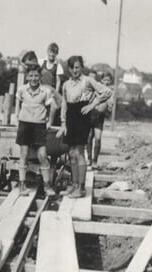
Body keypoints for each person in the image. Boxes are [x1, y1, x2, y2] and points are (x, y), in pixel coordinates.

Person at [57, 56, 112, 198]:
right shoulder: (66, 85)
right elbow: (64, 103)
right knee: (71, 153)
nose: (74, 70)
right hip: (70, 117)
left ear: (81, 67)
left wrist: (92, 105)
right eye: (71, 68)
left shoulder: (87, 80)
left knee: (79, 153)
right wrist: (63, 123)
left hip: (82, 117)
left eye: (77, 67)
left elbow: (106, 92)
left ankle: (81, 188)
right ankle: (74, 185)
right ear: (68, 69)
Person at [15, 64, 56, 197]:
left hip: (39, 126)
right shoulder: (22, 90)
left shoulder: (45, 92)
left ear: (40, 77)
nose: (33, 78)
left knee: (43, 155)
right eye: (31, 75)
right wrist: (17, 117)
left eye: (36, 75)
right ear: (27, 77)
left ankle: (47, 185)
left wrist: (49, 121)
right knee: (24, 154)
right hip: (25, 125)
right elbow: (18, 105)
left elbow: (50, 108)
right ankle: (22, 184)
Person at [87, 72, 114, 168]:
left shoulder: (110, 92)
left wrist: (110, 107)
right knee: (89, 137)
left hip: (100, 116)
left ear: (110, 81)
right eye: (104, 80)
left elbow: (110, 106)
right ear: (101, 80)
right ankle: (89, 159)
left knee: (98, 139)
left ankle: (95, 160)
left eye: (108, 80)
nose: (106, 82)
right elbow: (90, 98)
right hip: (91, 113)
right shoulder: (97, 87)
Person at [38, 43, 65, 126]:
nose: (52, 54)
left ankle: (50, 122)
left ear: (56, 54)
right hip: (41, 88)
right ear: (47, 52)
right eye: (50, 52)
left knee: (53, 103)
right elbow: (37, 75)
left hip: (51, 90)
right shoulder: (41, 62)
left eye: (54, 52)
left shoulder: (58, 66)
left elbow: (58, 81)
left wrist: (55, 93)